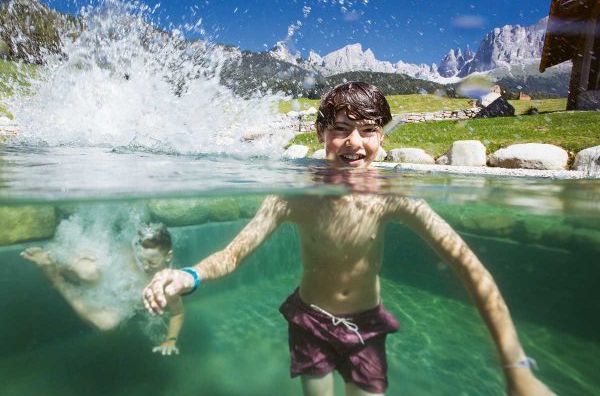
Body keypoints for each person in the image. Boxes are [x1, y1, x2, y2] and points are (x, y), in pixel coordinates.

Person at [142, 82, 556, 395]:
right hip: (309, 321)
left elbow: (469, 267)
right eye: (341, 129)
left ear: (382, 137)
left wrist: (516, 366)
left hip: (365, 327)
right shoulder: (292, 196)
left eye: (369, 130)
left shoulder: (393, 199)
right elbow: (234, 254)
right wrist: (188, 276)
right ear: (320, 131)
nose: (355, 143)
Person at [22, 223, 184, 356]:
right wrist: (83, 254)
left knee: (107, 324)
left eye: (152, 262)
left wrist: (170, 339)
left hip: (116, 301)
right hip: (98, 277)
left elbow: (178, 313)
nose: (145, 265)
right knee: (89, 272)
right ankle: (51, 262)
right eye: (142, 259)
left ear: (168, 256)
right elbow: (102, 250)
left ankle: (54, 278)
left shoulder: (167, 282)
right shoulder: (131, 250)